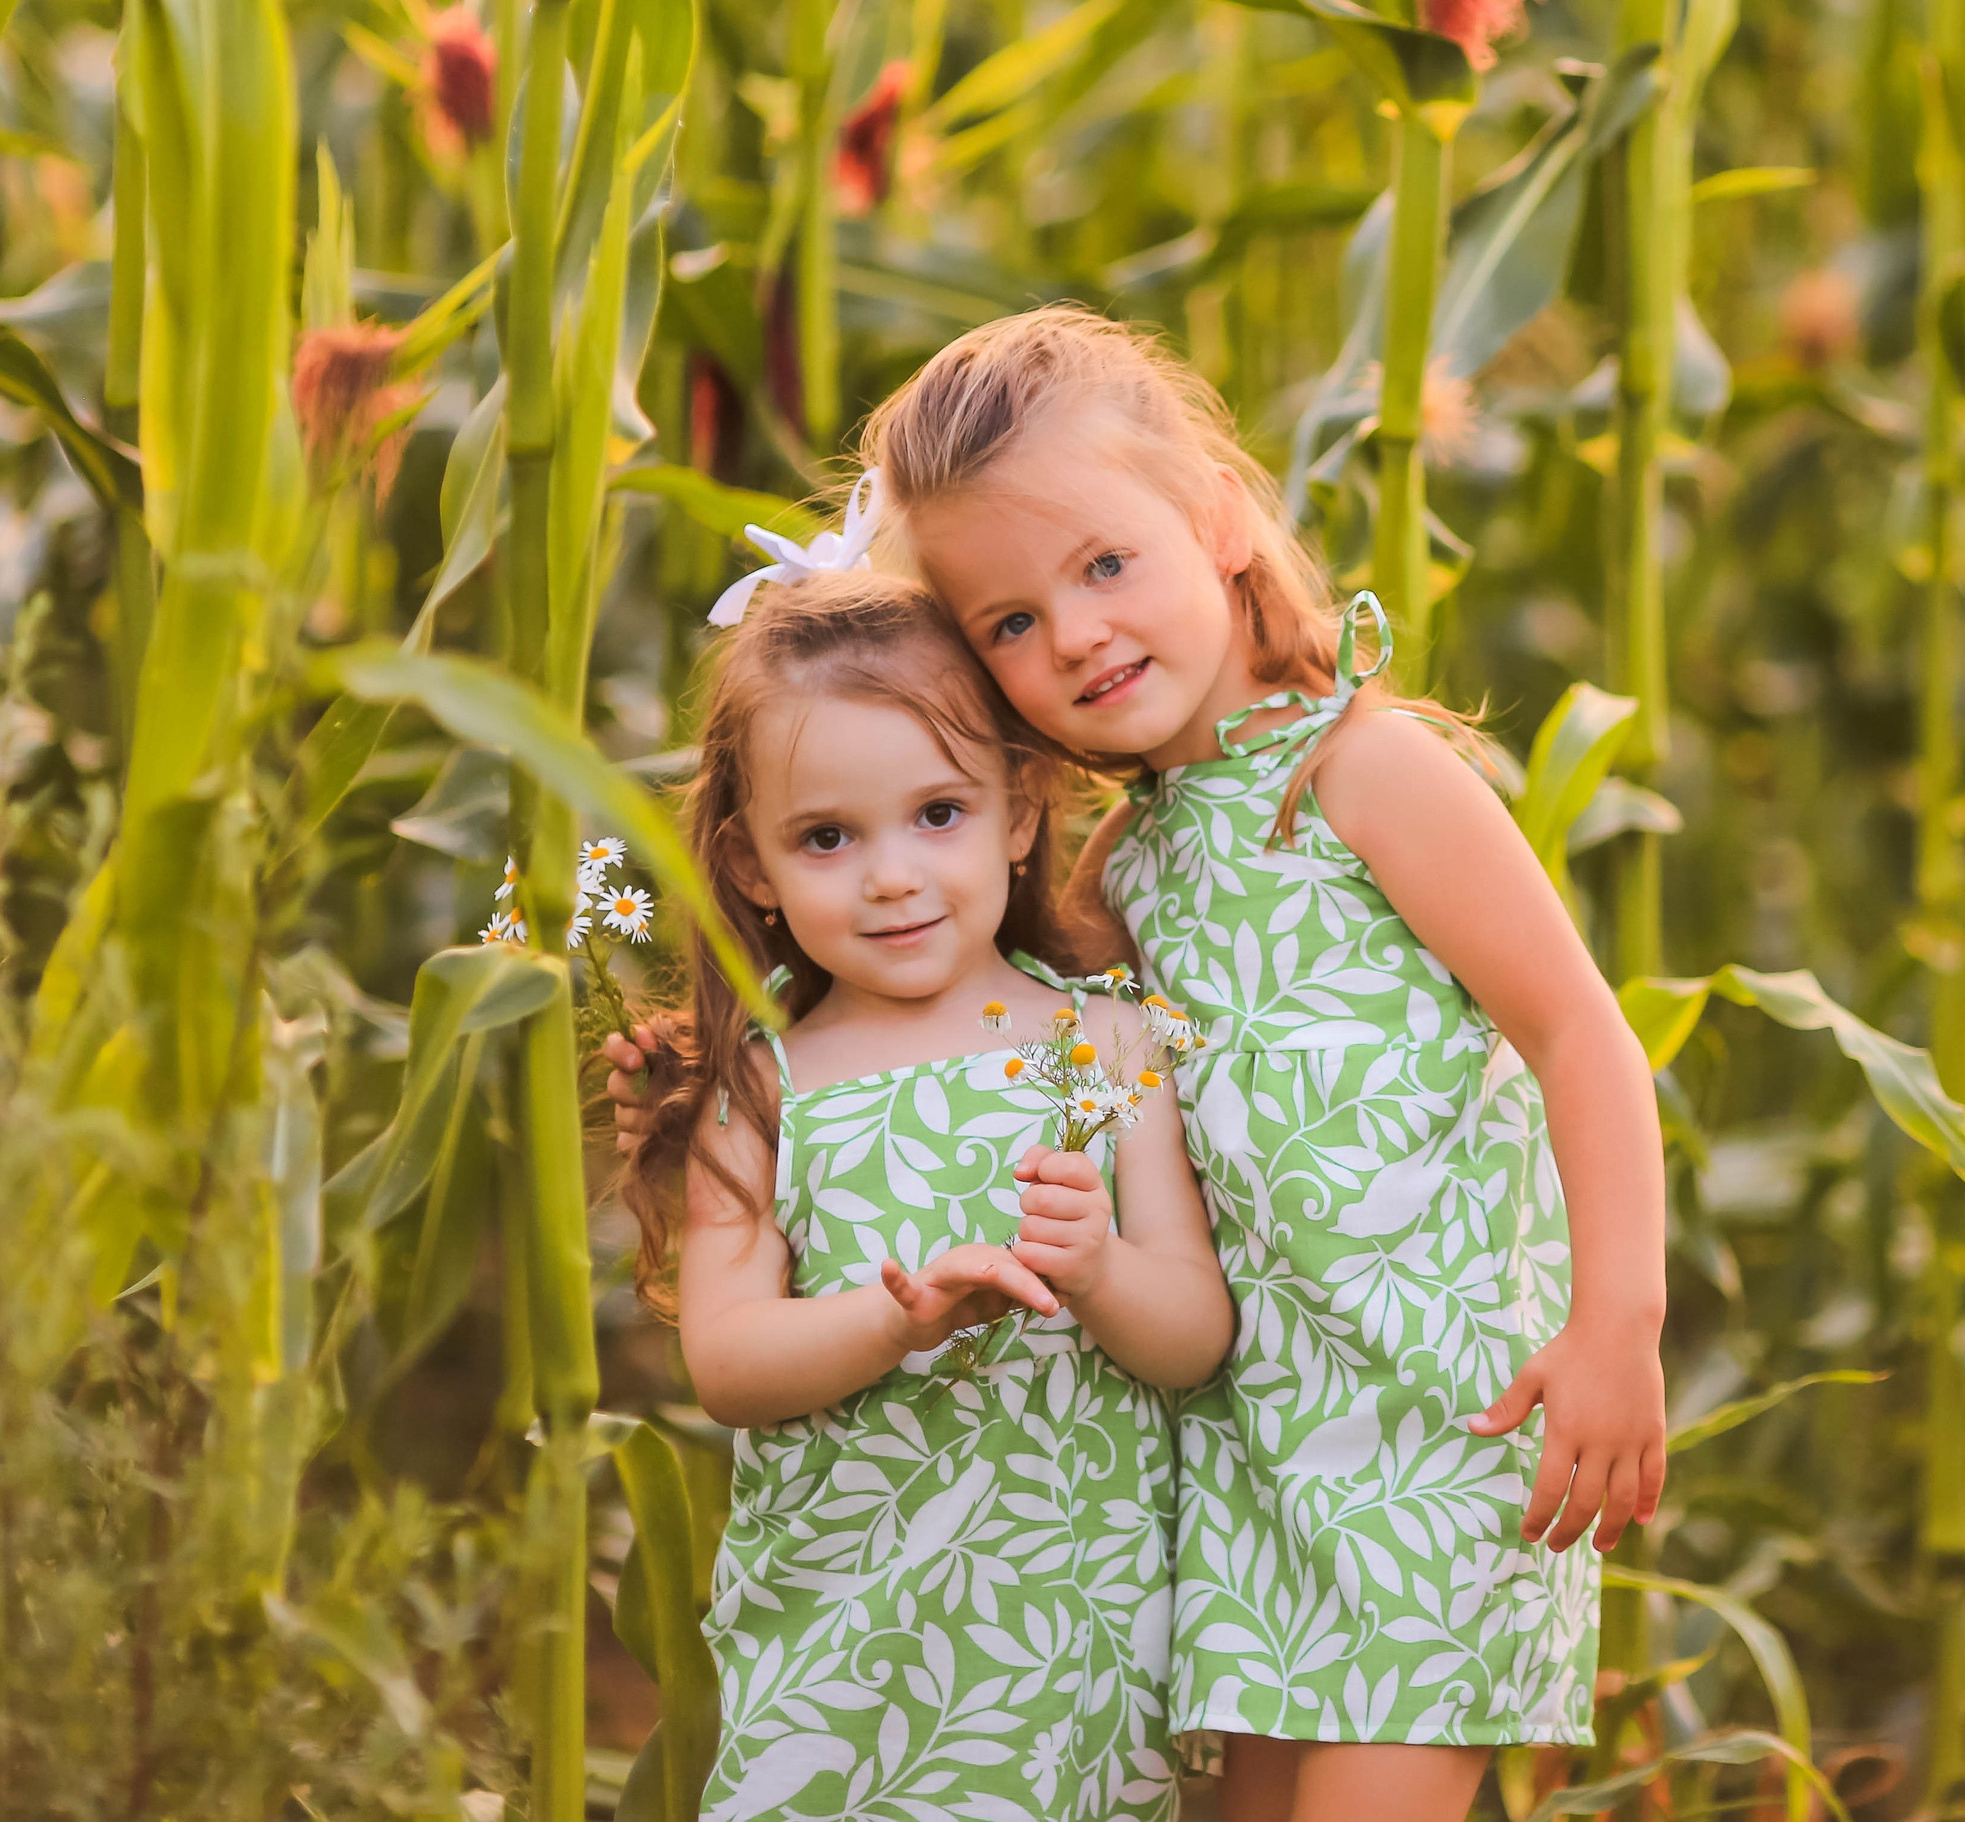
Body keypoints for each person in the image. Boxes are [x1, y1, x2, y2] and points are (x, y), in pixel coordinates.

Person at [614, 305, 1669, 1822]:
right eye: (1012, 624)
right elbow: (991, 1043)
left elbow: (1580, 1028)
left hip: (1442, 1440)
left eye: (1107, 564)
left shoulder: (1360, 773)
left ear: (1223, 517)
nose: (1081, 635)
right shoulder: (1127, 869)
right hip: (1237, 1473)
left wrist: (1616, 1324)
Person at [615, 565, 1234, 1822]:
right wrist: (894, 1320)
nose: (892, 875)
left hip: (1072, 1633)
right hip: (848, 1636)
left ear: (1020, 808)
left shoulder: (1110, 1045)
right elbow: (728, 1360)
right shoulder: (763, 1079)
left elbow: (1193, 1339)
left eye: (938, 813)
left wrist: (1103, 1269)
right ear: (752, 868)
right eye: (828, 837)